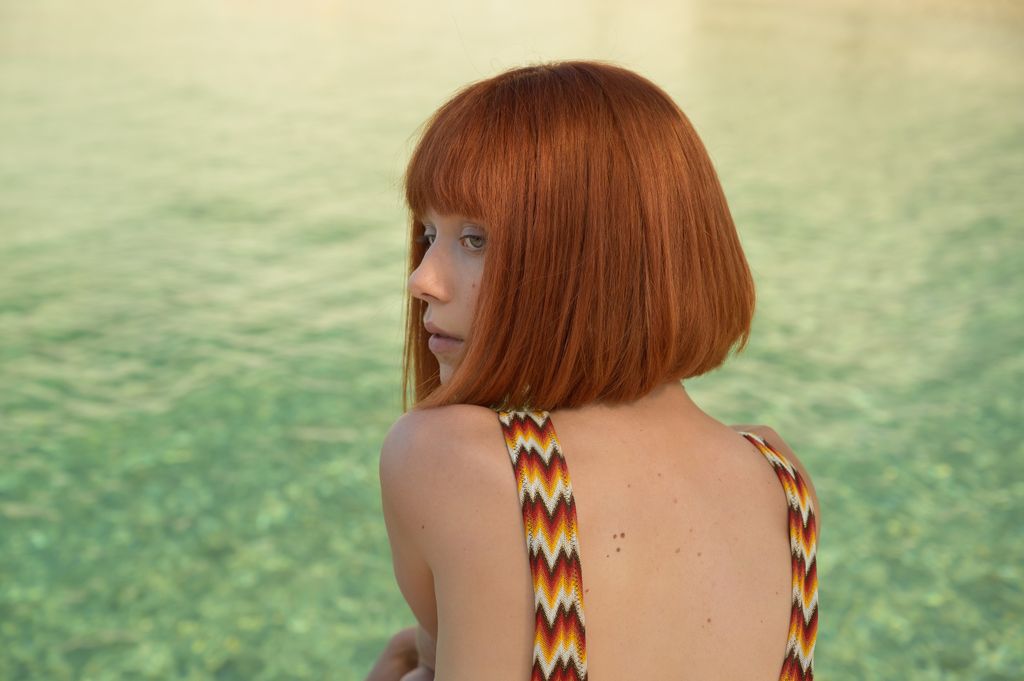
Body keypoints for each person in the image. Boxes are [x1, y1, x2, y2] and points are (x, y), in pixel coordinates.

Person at [368, 59, 819, 681]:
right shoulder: (782, 481)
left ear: (593, 258)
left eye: (475, 239)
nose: (422, 279)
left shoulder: (453, 459)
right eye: (428, 234)